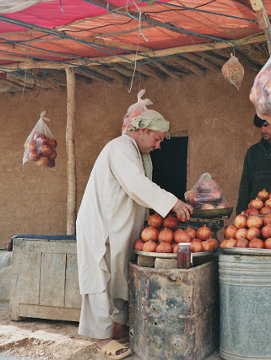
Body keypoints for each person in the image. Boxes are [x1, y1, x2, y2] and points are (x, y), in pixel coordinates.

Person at [76, 109, 193, 359]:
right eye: (157, 138)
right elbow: (136, 184)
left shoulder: (133, 151)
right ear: (143, 130)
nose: (158, 145)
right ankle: (102, 338)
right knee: (100, 279)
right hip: (100, 226)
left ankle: (117, 328)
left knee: (119, 277)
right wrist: (172, 202)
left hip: (116, 227)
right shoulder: (120, 147)